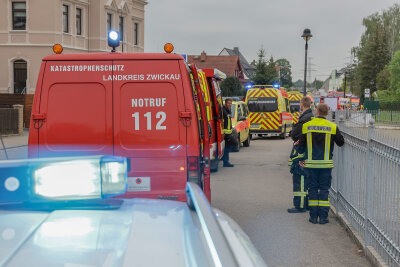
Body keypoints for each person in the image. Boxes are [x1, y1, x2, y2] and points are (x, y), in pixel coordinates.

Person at [298, 103, 344, 224]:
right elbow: (341, 142)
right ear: (327, 113)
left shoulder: (306, 126)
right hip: (325, 165)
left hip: (311, 164)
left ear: (316, 111)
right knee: (324, 190)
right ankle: (323, 218)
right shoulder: (333, 127)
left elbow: (301, 144)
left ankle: (313, 217)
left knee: (312, 189)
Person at [287, 96, 314, 213]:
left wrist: (293, 131)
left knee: (300, 178)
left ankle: (300, 205)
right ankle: (307, 203)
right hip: (310, 151)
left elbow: (295, 134)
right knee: (307, 179)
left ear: (302, 104)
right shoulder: (312, 116)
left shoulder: (304, 118)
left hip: (301, 152)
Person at [222, 98, 234, 167]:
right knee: (226, 148)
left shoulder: (228, 110)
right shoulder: (223, 110)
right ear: (225, 103)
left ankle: (226, 161)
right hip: (225, 133)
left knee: (227, 148)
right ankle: (225, 162)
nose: (229, 104)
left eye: (230, 103)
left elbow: (229, 121)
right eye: (228, 103)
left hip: (228, 132)